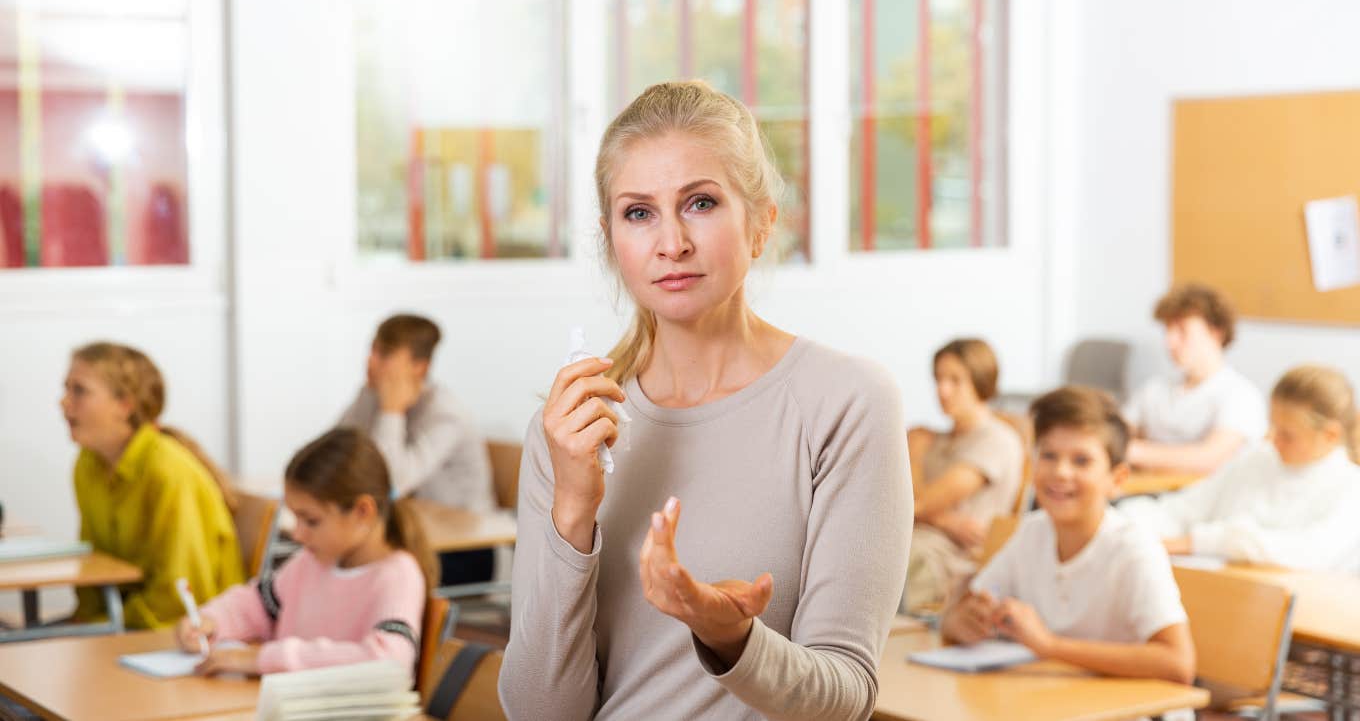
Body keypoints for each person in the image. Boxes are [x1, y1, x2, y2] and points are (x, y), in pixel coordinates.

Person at [498, 81, 912, 720]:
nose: (672, 244)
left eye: (700, 203)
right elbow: (539, 714)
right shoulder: (570, 431)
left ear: (762, 223)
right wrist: (573, 510)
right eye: (639, 212)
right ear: (611, 241)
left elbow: (846, 698)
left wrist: (729, 636)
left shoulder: (847, 404)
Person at [941, 386, 1195, 685]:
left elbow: (1178, 663)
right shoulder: (1033, 531)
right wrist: (958, 622)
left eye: (1081, 461)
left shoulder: (1133, 547)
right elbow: (971, 602)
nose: (1060, 472)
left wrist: (1049, 646)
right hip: (1057, 701)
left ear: (1117, 479)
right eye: (1049, 455)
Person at [178, 428, 435, 679]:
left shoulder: (398, 575)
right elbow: (259, 603)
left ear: (362, 511)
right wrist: (210, 620)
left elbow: (388, 662)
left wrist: (263, 659)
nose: (298, 534)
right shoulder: (313, 560)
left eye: (311, 521)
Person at [63, 342, 243, 628]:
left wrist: (100, 625)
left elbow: (178, 595)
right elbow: (94, 562)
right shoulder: (87, 464)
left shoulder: (168, 471)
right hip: (125, 623)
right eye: (66, 389)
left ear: (125, 404)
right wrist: (87, 620)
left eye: (79, 391)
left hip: (185, 630)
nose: (64, 402)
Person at [1123, 365, 1360, 572]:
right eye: (1273, 426)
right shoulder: (1257, 459)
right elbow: (1181, 510)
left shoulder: (1350, 489)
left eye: (1287, 435)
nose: (1273, 439)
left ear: (1330, 434)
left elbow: (1309, 553)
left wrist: (1198, 541)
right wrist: (1124, 525)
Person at [338, 313, 496, 585]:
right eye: (372, 350)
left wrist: (391, 411)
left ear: (419, 367)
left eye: (384, 354)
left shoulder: (446, 414)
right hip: (408, 538)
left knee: (352, 566)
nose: (370, 361)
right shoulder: (370, 395)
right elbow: (334, 456)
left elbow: (392, 485)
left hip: (460, 551)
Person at [904, 338, 1023, 612]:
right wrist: (946, 520)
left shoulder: (996, 440)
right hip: (915, 543)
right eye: (938, 379)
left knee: (882, 560)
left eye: (955, 380)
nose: (942, 390)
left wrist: (914, 456)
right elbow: (890, 503)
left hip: (948, 561)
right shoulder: (937, 439)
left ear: (980, 382)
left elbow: (915, 505)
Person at [1123, 283, 1266, 473]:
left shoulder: (1241, 395)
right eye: (1167, 330)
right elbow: (1114, 435)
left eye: (1182, 330)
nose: (1170, 342)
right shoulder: (1154, 389)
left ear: (1216, 332)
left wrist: (1132, 451)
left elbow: (1210, 458)